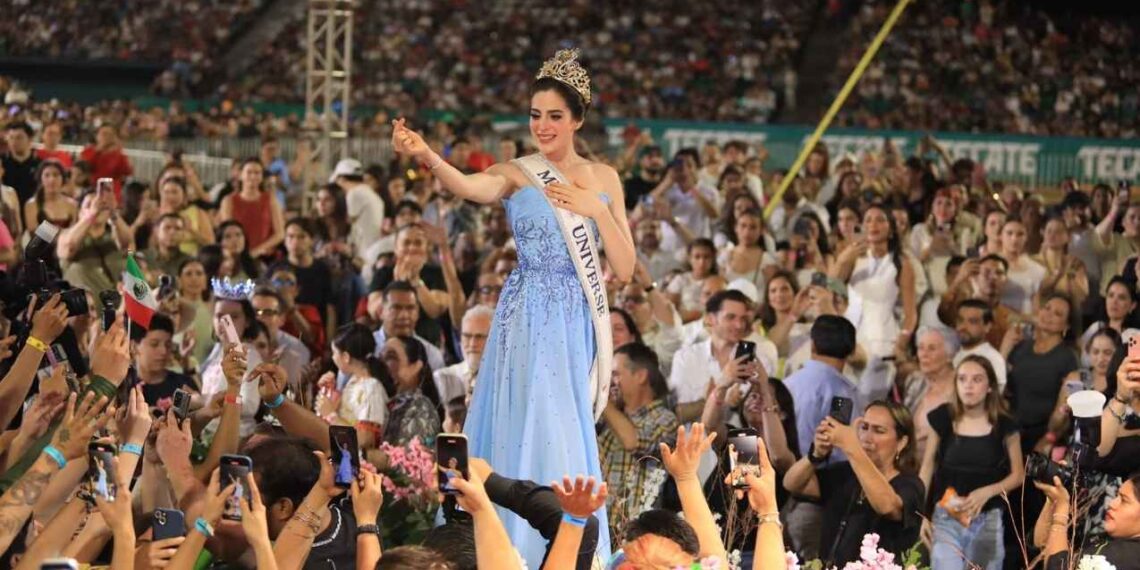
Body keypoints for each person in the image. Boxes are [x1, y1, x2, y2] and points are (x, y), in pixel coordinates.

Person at [390, 49, 636, 565]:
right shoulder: (518, 172)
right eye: (535, 115)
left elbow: (626, 266)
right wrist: (427, 154)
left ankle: (565, 540)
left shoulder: (604, 178)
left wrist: (596, 212)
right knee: (518, 411)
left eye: (555, 116)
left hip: (573, 315)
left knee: (558, 419)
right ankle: (495, 542)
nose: (542, 126)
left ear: (578, 120)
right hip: (523, 312)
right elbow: (468, 185)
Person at [783, 400, 925, 566]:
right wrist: (815, 455)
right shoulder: (845, 473)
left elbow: (887, 506)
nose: (867, 438)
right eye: (864, 428)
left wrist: (851, 446)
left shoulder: (910, 485)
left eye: (879, 431)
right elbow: (791, 484)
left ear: (901, 442)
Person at [920, 356, 1024, 570]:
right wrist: (921, 514)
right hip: (946, 514)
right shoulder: (943, 418)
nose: (968, 385)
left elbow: (1018, 475)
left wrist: (986, 492)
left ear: (990, 386)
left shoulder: (1005, 425)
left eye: (977, 379)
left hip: (987, 517)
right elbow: (927, 468)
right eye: (962, 379)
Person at [781, 314, 859, 559]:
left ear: (812, 345)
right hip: (819, 501)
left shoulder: (787, 384)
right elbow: (844, 452)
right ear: (851, 350)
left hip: (781, 495)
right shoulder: (842, 392)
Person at [598, 343, 679, 529]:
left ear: (641, 376)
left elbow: (633, 442)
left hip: (638, 533)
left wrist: (602, 399)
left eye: (616, 374)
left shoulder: (665, 419)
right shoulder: (609, 420)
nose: (611, 382)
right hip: (601, 530)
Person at [669, 290, 775, 423]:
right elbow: (677, 415)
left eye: (743, 319)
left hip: (740, 436)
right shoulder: (685, 358)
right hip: (696, 436)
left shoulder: (759, 362)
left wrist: (741, 405)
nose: (739, 325)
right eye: (730, 317)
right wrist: (717, 399)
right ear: (710, 319)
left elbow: (767, 415)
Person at [1037, 471, 1140, 570]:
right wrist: (1054, 499)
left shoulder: (1125, 558)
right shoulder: (1116, 540)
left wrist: (1061, 509)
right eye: (1117, 495)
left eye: (1124, 500)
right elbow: (1042, 547)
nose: (1112, 504)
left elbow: (1056, 566)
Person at [377, 336, 442, 448]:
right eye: (380, 358)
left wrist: (368, 453)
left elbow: (411, 457)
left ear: (416, 366)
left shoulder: (420, 408)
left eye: (391, 357)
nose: (381, 364)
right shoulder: (383, 400)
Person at [219, 158, 285, 259]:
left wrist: (256, 252)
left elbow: (280, 233)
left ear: (262, 176)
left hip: (265, 256)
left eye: (257, 173)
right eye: (249, 172)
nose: (253, 176)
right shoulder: (228, 201)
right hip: (237, 256)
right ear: (241, 175)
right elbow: (227, 232)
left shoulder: (270, 199)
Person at [130, 313, 198, 406]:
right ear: (134, 347)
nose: (164, 351)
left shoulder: (183, 386)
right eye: (154, 344)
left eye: (168, 345)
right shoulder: (124, 386)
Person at [251, 287, 311, 390]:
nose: (259, 318)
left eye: (268, 313)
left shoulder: (297, 350)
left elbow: (296, 395)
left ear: (282, 319)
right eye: (254, 312)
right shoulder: (236, 344)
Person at [434, 305, 492, 404]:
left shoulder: (508, 381)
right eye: (467, 336)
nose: (472, 344)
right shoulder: (442, 378)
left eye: (479, 337)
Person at [952, 299, 1008, 389]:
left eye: (972, 322)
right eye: (960, 320)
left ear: (987, 326)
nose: (963, 327)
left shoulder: (993, 359)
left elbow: (995, 396)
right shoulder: (955, 355)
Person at [79, 124, 132, 200]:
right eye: (104, 134)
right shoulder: (88, 151)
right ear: (97, 136)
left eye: (110, 135)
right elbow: (83, 168)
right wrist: (98, 150)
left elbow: (128, 171)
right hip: (91, 189)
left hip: (112, 192)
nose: (106, 137)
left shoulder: (119, 155)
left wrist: (119, 151)